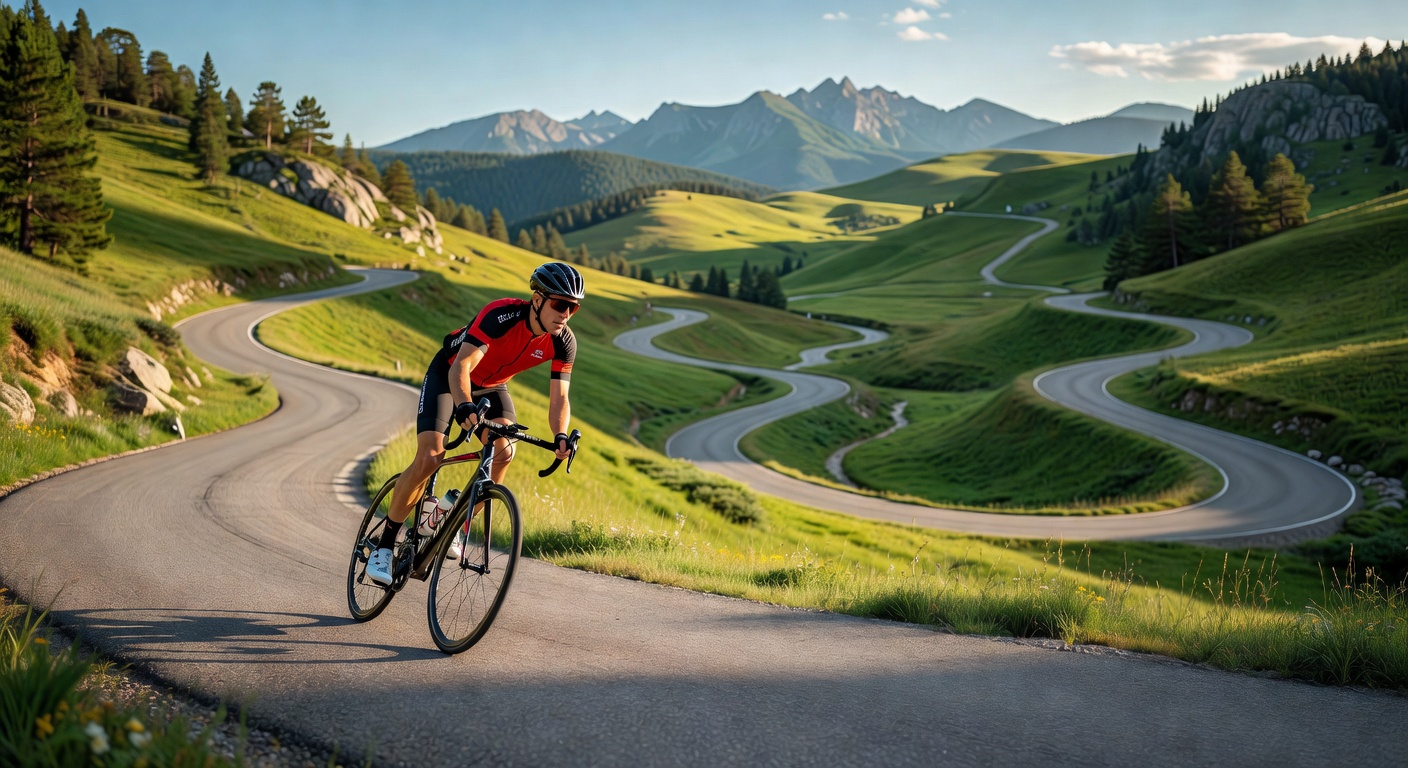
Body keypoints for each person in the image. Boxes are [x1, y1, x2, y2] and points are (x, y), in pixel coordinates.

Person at [366, 262, 584, 585]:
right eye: (560, 304)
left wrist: (561, 434)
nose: (566, 314)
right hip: (450, 374)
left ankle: (454, 524)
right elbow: (461, 367)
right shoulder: (501, 315)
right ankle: (384, 545)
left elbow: (559, 399)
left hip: (493, 387)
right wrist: (464, 405)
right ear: (537, 299)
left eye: (573, 308)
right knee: (430, 457)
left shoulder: (563, 341)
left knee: (504, 450)